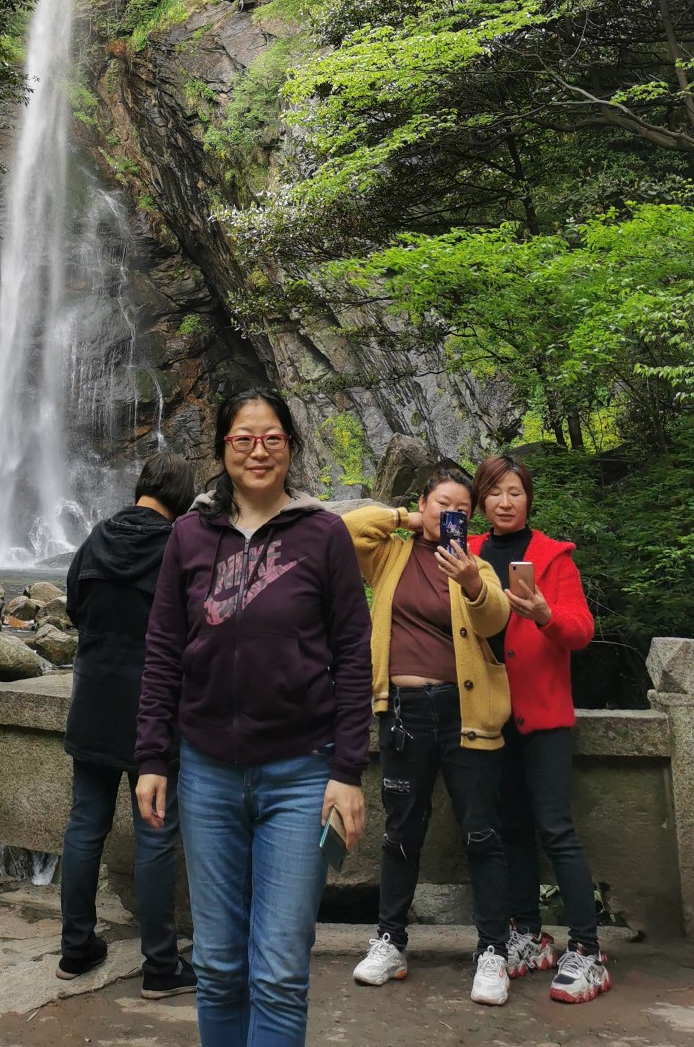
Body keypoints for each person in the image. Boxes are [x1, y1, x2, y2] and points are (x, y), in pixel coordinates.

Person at [134, 389, 373, 1047]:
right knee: (216, 966)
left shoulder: (323, 535)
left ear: (291, 446)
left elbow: (355, 655)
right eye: (243, 438)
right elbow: (161, 651)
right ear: (221, 451)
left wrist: (348, 771)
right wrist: (152, 756)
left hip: (301, 774)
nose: (258, 450)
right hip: (207, 774)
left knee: (277, 972)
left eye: (271, 438)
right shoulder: (187, 535)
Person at [342, 464, 514, 1007]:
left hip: (466, 713)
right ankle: (390, 941)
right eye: (442, 504)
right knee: (400, 832)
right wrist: (404, 517)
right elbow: (345, 531)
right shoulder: (390, 554)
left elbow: (496, 618)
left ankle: (492, 951)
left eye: (461, 509)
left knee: (482, 834)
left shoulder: (476, 565)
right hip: (402, 712)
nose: (451, 516)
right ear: (423, 503)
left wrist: (468, 581)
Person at [468, 452, 610, 1004]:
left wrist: (544, 613)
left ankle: (588, 949)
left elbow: (581, 631)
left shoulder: (552, 557)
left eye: (515, 492)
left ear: (528, 498)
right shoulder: (470, 553)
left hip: (544, 716)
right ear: (481, 500)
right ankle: (527, 934)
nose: (505, 502)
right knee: (510, 830)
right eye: (495, 492)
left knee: (556, 829)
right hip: (490, 717)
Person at [59, 450, 199, 998]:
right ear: (183, 499)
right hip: (152, 709)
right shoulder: (176, 549)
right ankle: (160, 966)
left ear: (142, 485)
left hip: (92, 697)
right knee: (156, 836)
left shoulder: (94, 538)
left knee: (84, 825)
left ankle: (75, 949)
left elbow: (74, 604)